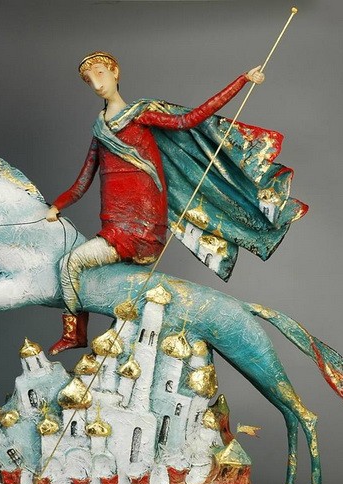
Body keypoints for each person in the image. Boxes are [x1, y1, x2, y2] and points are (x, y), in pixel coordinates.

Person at [46, 51, 265, 355]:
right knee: (99, 281)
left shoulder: (139, 115)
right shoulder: (100, 131)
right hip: (113, 226)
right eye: (89, 80)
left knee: (69, 263)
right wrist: (56, 206)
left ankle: (74, 333)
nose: (97, 84)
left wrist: (242, 81)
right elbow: (83, 180)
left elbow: (188, 120)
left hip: (139, 230)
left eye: (100, 74)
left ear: (115, 72)